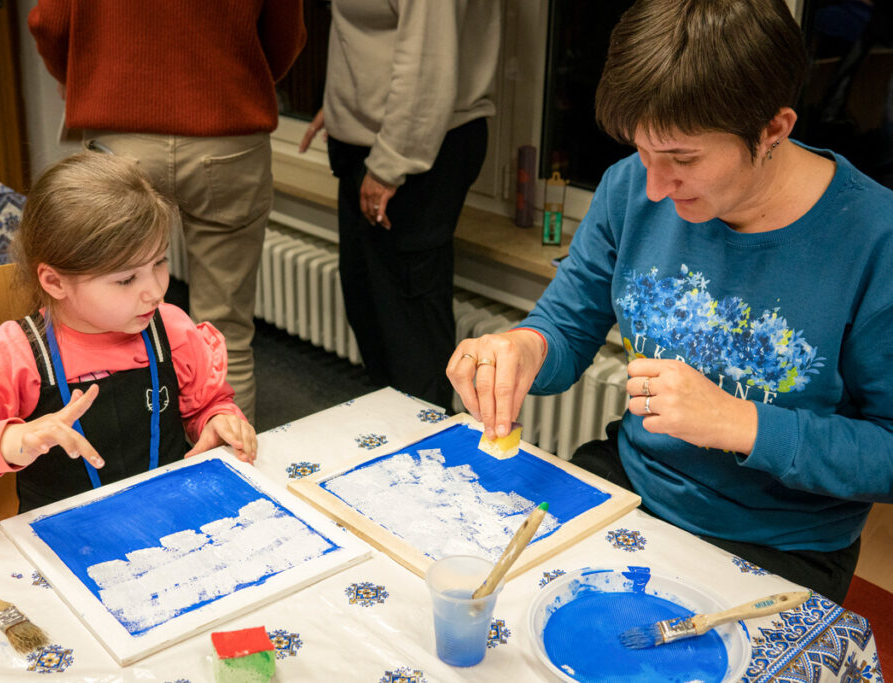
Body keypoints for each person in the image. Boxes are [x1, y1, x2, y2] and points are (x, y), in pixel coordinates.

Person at [447, 0, 893, 602]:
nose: (655, 186)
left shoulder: (874, 239)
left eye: (683, 160)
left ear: (773, 131)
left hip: (778, 543)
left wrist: (741, 423)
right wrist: (522, 348)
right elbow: (565, 325)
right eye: (643, 152)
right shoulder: (631, 185)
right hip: (632, 481)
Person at [0, 152, 256, 512]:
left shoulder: (172, 329)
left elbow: (207, 404)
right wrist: (11, 439)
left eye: (160, 262)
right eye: (127, 278)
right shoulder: (16, 356)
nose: (156, 291)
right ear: (54, 281)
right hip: (67, 542)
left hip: (171, 517)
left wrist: (218, 421)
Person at [28, 1, 307, 425]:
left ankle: (123, 466)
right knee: (226, 331)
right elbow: (286, 35)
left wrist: (78, 79)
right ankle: (230, 463)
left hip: (122, 131)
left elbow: (48, 22)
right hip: (228, 133)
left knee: (103, 325)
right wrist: (235, 77)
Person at [299, 0, 501, 411]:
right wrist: (343, 107)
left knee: (410, 340)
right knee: (372, 315)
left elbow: (429, 60)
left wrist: (390, 163)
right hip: (380, 141)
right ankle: (396, 449)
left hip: (413, 150)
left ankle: (429, 458)